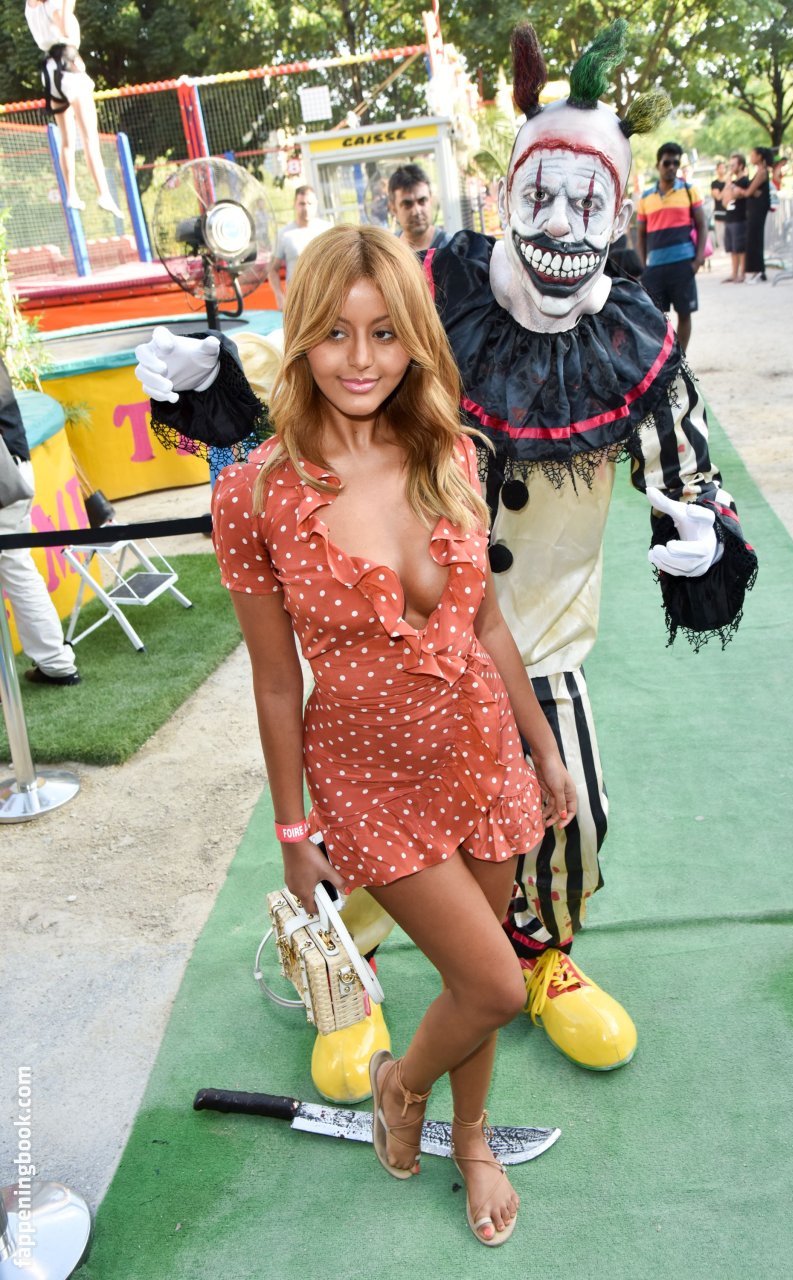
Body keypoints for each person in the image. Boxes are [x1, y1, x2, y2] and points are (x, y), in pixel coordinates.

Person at [134, 19, 758, 1102]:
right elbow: (329, 362)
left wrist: (705, 528)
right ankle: (353, 969)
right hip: (379, 672)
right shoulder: (439, 284)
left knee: (574, 813)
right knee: (370, 839)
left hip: (528, 635)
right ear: (508, 189)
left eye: (586, 202)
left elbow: (684, 467)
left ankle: (535, 954)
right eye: (541, 194)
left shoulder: (634, 338)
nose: (559, 223)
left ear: (617, 210)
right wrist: (219, 382)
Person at [211, 224, 577, 1246]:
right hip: (369, 780)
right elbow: (275, 683)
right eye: (334, 332)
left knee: (475, 977)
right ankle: (401, 1086)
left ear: (414, 338)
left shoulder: (450, 453)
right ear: (300, 338)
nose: (361, 358)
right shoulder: (254, 494)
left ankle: (472, 1141)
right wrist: (293, 833)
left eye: (383, 332)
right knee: (495, 984)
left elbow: (486, 624)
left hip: (480, 752)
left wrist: (543, 747)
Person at [0, 354, 80, 686]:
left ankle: (55, 662)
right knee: (17, 564)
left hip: (7, 473)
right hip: (15, 466)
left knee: (17, 564)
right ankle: (56, 662)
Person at [23, 0, 123, 219]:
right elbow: (66, 29)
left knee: (67, 140)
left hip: (50, 73)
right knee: (89, 137)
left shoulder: (30, 7)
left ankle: (72, 194)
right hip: (68, 66)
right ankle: (103, 193)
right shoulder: (54, 4)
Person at [637, 141, 707, 349]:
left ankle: (680, 358)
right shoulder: (646, 198)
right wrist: (643, 267)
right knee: (655, 316)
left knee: (684, 313)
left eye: (675, 163)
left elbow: (702, 225)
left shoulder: (689, 191)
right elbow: (640, 234)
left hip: (683, 265)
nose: (671, 167)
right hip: (655, 268)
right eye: (667, 163)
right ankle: (664, 358)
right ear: (658, 165)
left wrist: (698, 260)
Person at [266, 186, 332, 309]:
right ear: (295, 204)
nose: (306, 208)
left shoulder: (328, 231)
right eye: (302, 203)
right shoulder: (284, 234)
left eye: (309, 203)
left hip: (325, 299)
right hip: (297, 301)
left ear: (316, 204)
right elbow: (272, 269)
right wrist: (279, 296)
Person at [729, 146, 773, 283]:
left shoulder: (762, 172)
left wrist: (739, 190)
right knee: (753, 238)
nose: (751, 158)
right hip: (754, 208)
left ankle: (757, 270)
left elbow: (749, 192)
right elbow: (752, 191)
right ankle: (757, 270)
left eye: (753, 155)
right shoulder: (759, 172)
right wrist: (750, 192)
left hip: (758, 209)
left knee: (755, 239)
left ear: (759, 157)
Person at [388, 164, 449, 252]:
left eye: (422, 200)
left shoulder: (450, 249)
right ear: (393, 209)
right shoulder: (389, 250)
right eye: (407, 204)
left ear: (431, 200)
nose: (416, 211)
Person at [721, 153, 750, 283]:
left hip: (740, 218)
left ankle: (742, 273)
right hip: (730, 218)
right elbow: (724, 200)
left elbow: (734, 195)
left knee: (741, 248)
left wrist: (731, 190)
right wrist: (729, 185)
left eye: (733, 165)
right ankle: (734, 273)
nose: (731, 167)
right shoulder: (732, 182)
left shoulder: (744, 181)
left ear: (741, 165)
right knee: (732, 248)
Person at [710, 159, 728, 250]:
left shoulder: (729, 182)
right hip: (719, 212)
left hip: (729, 212)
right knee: (720, 235)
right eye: (720, 168)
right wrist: (726, 186)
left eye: (723, 168)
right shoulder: (715, 184)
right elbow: (718, 197)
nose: (722, 170)